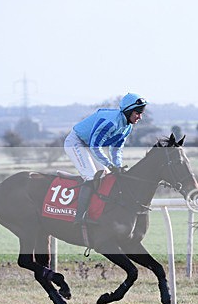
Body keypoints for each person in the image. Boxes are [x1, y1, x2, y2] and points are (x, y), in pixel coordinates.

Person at [63, 92, 147, 224]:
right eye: (137, 113)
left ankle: (100, 211)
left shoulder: (127, 127)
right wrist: (110, 164)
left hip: (89, 146)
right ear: (128, 111)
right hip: (76, 143)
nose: (140, 117)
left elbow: (116, 149)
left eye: (141, 113)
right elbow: (95, 146)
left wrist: (117, 166)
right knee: (91, 176)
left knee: (107, 176)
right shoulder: (110, 122)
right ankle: (79, 217)